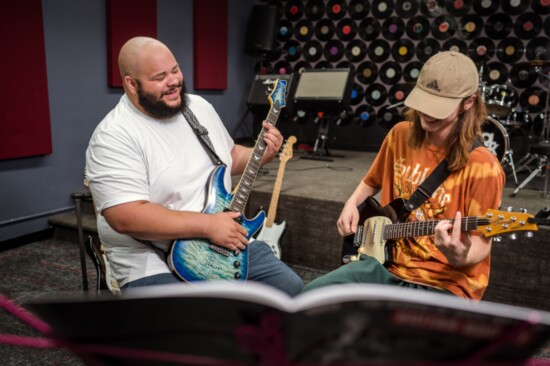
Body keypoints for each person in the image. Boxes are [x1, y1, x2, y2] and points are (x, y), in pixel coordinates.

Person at [85, 36, 303, 296]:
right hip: (149, 254)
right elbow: (125, 217)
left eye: (175, 70)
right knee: (197, 322)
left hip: (220, 236)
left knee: (291, 291)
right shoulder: (114, 135)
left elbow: (229, 156)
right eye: (160, 77)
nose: (174, 81)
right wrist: (208, 226)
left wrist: (262, 153)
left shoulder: (197, 107)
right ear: (131, 84)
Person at [303, 51, 506, 300]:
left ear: (468, 103)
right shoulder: (400, 134)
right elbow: (371, 181)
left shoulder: (484, 167)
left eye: (438, 105)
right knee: (311, 298)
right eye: (424, 100)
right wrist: (351, 203)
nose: (426, 113)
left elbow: (481, 246)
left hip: (445, 284)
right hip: (385, 264)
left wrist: (458, 254)